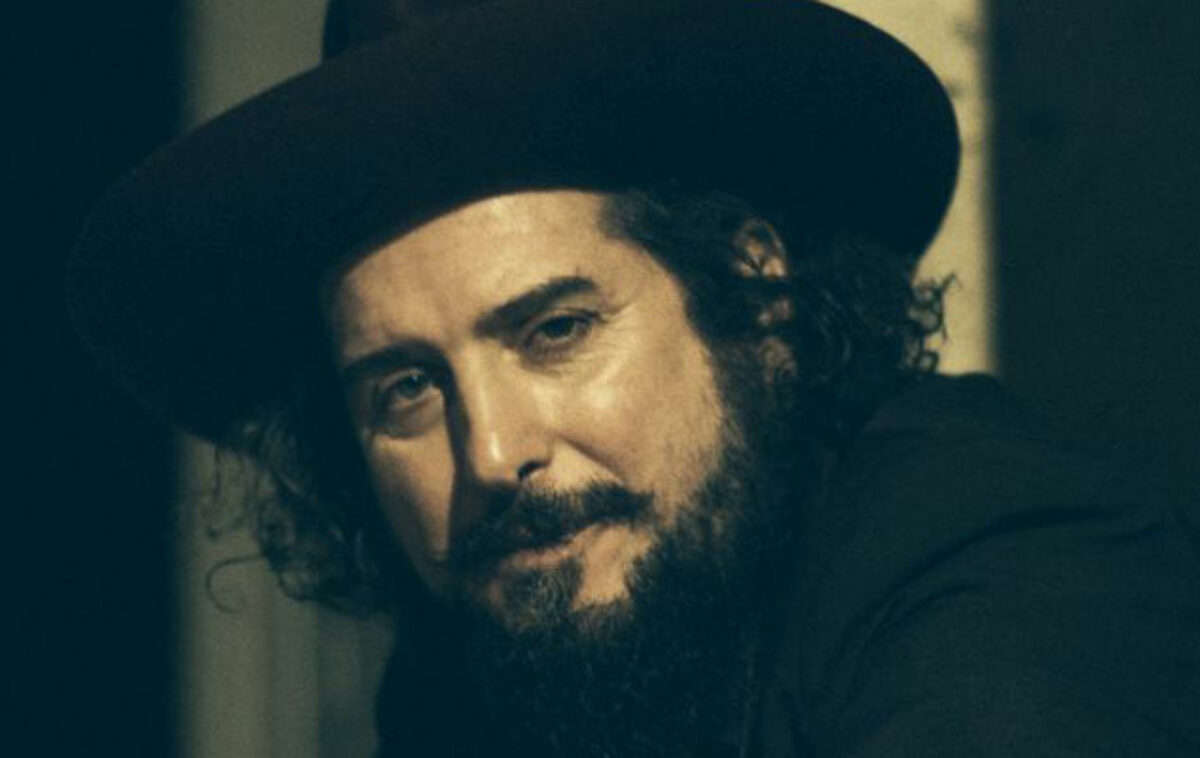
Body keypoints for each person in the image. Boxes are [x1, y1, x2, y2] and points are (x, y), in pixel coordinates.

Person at [67, 0, 1200, 755]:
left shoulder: (1000, 564)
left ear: (756, 292)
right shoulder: (478, 676)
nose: (492, 453)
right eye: (407, 388)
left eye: (556, 329)